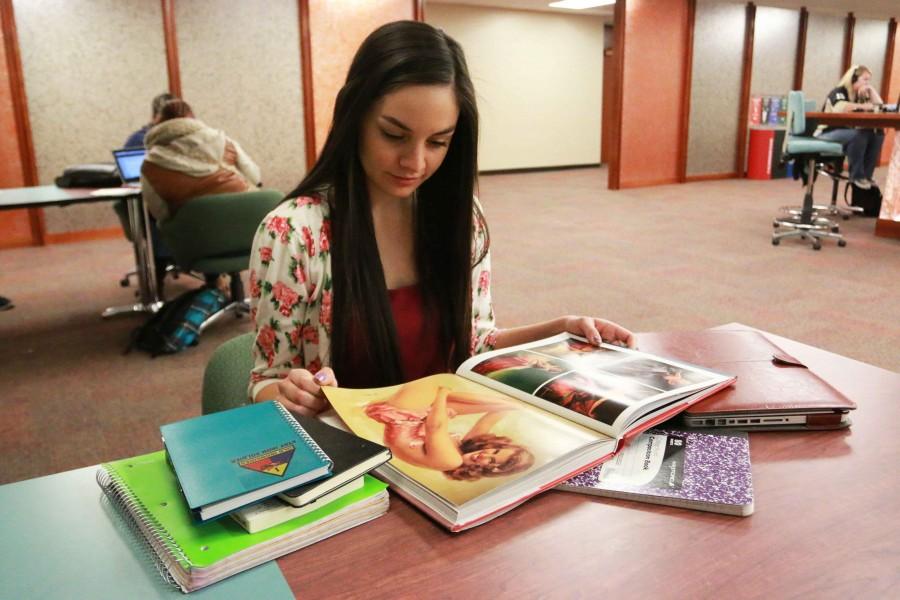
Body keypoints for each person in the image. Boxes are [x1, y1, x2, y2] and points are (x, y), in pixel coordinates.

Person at [248, 20, 634, 418]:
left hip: (444, 436)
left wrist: (561, 330)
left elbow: (474, 344)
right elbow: (264, 380)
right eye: (394, 135)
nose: (415, 163)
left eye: (437, 142)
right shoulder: (294, 233)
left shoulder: (459, 214)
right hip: (353, 456)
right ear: (355, 116)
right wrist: (290, 393)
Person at [364, 379, 534, 480]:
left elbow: (435, 427)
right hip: (415, 418)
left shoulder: (452, 461)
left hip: (400, 417)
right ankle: (510, 403)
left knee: (431, 386)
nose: (485, 454)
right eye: (495, 450)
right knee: (501, 405)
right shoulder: (465, 450)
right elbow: (488, 420)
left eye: (491, 461)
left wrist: (442, 395)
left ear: (492, 469)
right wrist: (512, 405)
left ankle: (443, 392)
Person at [140, 99, 261, 222]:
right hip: (243, 218)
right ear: (192, 119)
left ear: (159, 124)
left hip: (195, 231)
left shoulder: (151, 164)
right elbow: (255, 177)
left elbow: (160, 213)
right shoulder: (224, 141)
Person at [815, 64, 885, 190]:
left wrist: (871, 89)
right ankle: (856, 176)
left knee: (877, 133)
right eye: (865, 79)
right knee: (858, 135)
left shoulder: (861, 94)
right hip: (826, 132)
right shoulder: (839, 92)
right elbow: (840, 108)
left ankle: (866, 176)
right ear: (853, 79)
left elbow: (880, 106)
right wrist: (864, 107)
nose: (867, 83)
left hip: (845, 132)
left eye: (869, 80)